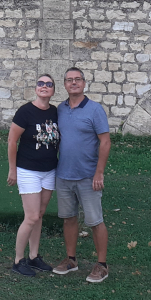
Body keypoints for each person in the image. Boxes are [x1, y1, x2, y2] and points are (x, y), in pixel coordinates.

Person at [52, 67, 112, 283]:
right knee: (69, 219)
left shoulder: (95, 110)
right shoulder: (60, 109)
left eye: (77, 79)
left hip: (88, 176)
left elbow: (105, 141)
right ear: (65, 85)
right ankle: (71, 260)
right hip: (64, 174)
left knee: (95, 221)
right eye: (69, 80)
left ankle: (102, 265)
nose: (74, 83)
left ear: (84, 83)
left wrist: (99, 172)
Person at [7, 74, 60, 277]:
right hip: (28, 170)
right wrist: (13, 170)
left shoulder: (55, 112)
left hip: (49, 170)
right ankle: (18, 260)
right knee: (30, 217)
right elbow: (12, 141)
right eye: (40, 83)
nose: (44, 87)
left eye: (49, 84)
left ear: (53, 90)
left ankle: (34, 256)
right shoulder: (25, 112)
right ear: (35, 88)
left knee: (39, 215)